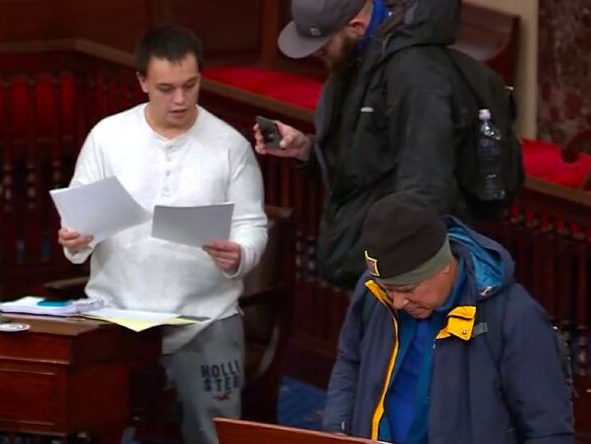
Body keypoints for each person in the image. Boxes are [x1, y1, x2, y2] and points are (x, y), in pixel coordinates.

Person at [57, 26, 268, 444]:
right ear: (142, 82)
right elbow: (79, 226)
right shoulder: (107, 137)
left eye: (190, 85)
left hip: (205, 317)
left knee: (215, 436)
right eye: (166, 88)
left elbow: (252, 224)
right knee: (98, 429)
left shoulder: (230, 145)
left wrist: (241, 254)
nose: (180, 100)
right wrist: (77, 241)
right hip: (117, 314)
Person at [253, 0, 474, 288]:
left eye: (322, 46)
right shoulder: (358, 57)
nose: (316, 54)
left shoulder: (415, 70)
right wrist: (306, 149)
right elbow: (360, 161)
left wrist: (395, 279)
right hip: (365, 262)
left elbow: (426, 184)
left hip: (396, 275)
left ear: (356, 26)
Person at [323, 193, 574, 444]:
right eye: (389, 290)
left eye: (408, 289)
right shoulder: (373, 291)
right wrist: (337, 430)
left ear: (443, 266)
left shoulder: (515, 317)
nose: (398, 302)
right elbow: (350, 361)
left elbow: (548, 431)